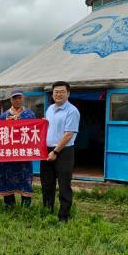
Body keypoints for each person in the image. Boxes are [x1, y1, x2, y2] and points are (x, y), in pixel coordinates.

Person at [40, 81, 80, 221]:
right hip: (47, 150)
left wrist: (55, 152)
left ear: (68, 94)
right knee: (47, 184)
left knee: (64, 185)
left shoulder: (72, 111)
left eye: (62, 92)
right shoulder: (50, 108)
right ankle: (47, 211)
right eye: (56, 92)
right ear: (52, 94)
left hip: (64, 152)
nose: (59, 94)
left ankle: (64, 216)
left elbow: (68, 134)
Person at [0, 90, 35, 207]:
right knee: (7, 176)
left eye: (19, 98)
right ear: (10, 100)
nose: (17, 100)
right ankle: (9, 205)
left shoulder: (30, 114)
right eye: (14, 98)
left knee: (25, 177)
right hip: (8, 153)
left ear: (23, 99)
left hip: (23, 152)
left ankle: (26, 206)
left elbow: (34, 131)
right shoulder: (4, 116)